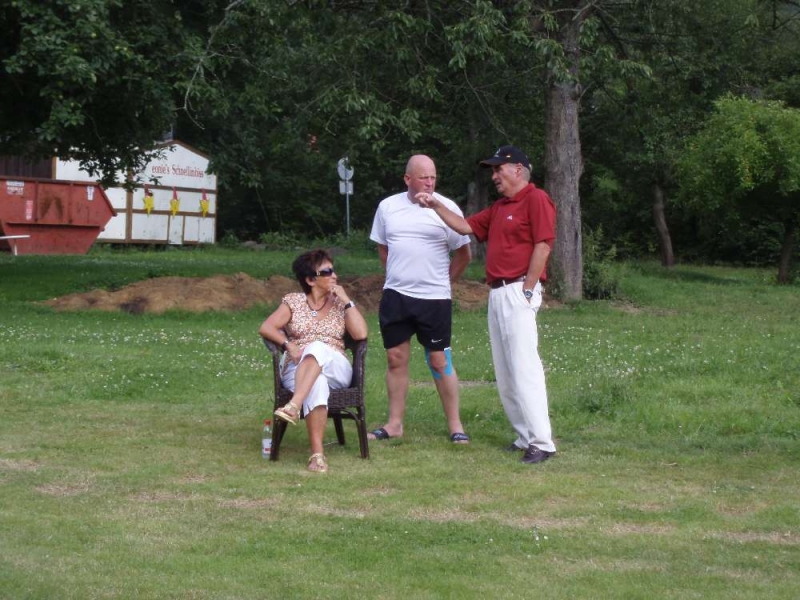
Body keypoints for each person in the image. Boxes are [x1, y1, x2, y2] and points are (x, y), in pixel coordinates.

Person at [418, 145, 557, 464]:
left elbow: (543, 245)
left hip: (518, 289)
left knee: (524, 367)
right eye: (493, 170)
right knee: (505, 371)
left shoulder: (536, 199)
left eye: (498, 169)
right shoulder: (500, 207)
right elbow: (465, 226)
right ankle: (524, 436)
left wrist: (528, 289)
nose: (494, 175)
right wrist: (435, 204)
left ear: (518, 169)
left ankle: (542, 442)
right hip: (497, 291)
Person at [368, 154, 472, 443]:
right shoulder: (388, 207)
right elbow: (383, 249)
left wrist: (445, 283)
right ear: (407, 179)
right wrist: (397, 275)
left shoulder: (446, 208)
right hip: (396, 296)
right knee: (395, 357)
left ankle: (456, 426)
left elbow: (464, 255)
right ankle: (394, 424)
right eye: (423, 177)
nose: (429, 182)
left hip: (434, 298)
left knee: (439, 360)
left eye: (433, 177)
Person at [259, 249, 368, 473]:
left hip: (335, 366)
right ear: (310, 280)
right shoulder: (294, 301)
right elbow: (267, 327)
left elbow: (360, 334)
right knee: (316, 382)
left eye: (333, 270)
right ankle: (317, 456)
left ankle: (294, 405)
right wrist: (288, 344)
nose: (334, 275)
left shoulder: (341, 304)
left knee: (317, 346)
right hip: (298, 367)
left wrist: (347, 301)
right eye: (326, 272)